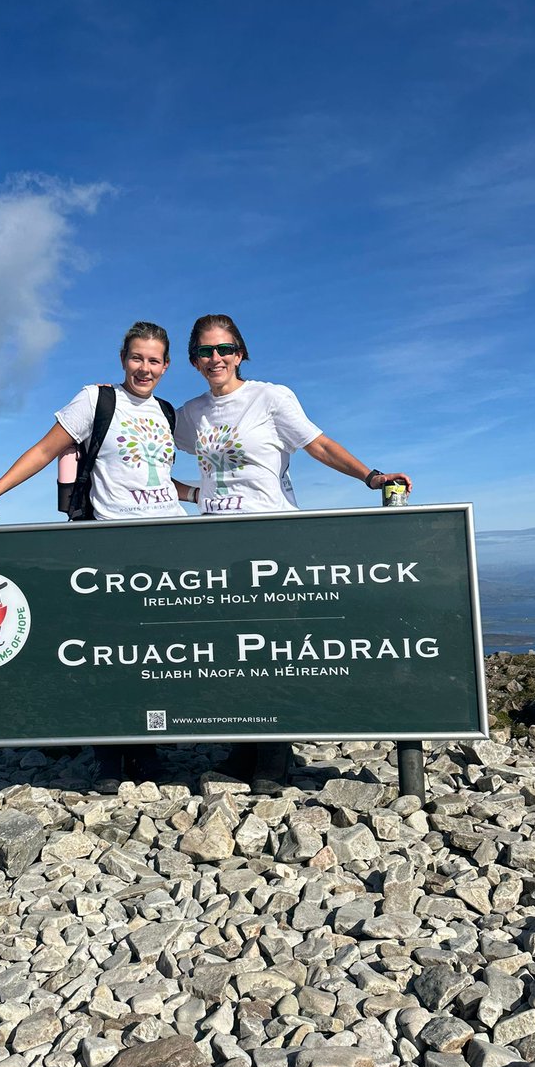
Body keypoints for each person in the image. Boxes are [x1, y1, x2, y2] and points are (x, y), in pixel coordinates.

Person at [174, 313, 412, 785]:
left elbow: (317, 445)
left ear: (240, 352)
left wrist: (370, 477)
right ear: (193, 359)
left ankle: (271, 760)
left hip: (271, 538)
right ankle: (240, 753)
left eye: (224, 349)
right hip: (214, 544)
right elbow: (158, 460)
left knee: (269, 650)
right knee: (231, 653)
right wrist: (185, 495)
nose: (215, 358)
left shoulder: (270, 397)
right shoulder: (190, 413)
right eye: (204, 351)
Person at [0, 321, 198, 788]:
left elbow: (155, 478)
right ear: (123, 359)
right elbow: (47, 449)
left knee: (154, 655)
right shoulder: (97, 400)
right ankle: (111, 756)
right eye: (136, 358)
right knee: (111, 655)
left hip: (167, 543)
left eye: (154, 360)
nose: (144, 368)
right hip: (110, 545)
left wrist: (201, 493)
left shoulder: (167, 412)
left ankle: (147, 752)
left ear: (166, 366)